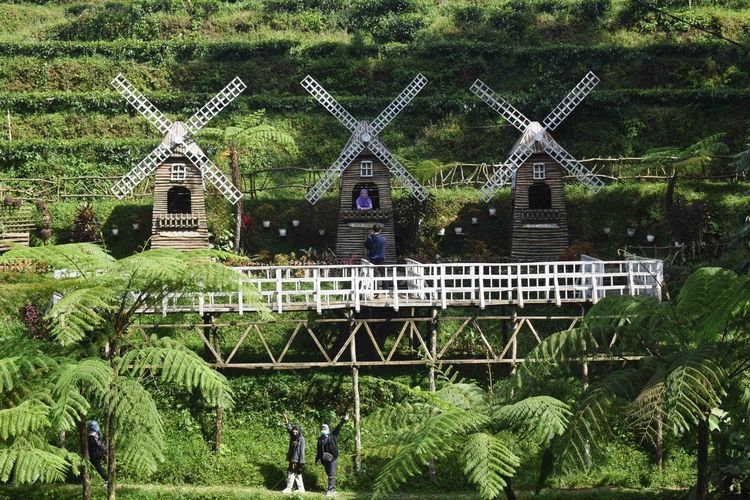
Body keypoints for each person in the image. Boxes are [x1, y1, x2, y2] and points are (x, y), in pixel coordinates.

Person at [316, 413, 349, 497]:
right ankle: (333, 489)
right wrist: (317, 459)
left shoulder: (333, 435)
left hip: (333, 458)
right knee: (329, 473)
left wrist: (344, 420)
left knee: (331, 474)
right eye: (322, 428)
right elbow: (319, 450)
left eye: (324, 428)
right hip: (325, 459)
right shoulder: (320, 439)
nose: (323, 429)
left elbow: (338, 427)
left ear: (327, 429)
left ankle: (330, 490)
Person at [282, 413, 306, 494]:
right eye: (294, 430)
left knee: (292, 473)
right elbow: (289, 428)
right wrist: (286, 419)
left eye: (296, 430)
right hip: (292, 458)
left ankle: (289, 489)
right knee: (296, 474)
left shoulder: (301, 439)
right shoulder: (293, 436)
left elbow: (301, 451)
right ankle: (301, 490)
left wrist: (298, 462)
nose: (294, 431)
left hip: (297, 460)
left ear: (299, 431)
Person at [364, 225, 386, 294]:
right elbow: (384, 245)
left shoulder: (370, 238)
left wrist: (370, 235)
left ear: (373, 230)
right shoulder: (383, 238)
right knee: (383, 274)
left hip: (373, 259)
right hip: (381, 259)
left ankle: (376, 291)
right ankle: (385, 290)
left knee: (374, 275)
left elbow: (366, 245)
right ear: (380, 230)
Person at [87, 420, 108, 486]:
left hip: (95, 454)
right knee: (92, 466)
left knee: (97, 467)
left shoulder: (91, 435)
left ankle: (107, 480)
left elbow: (93, 446)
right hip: (97, 453)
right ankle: (87, 480)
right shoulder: (96, 434)